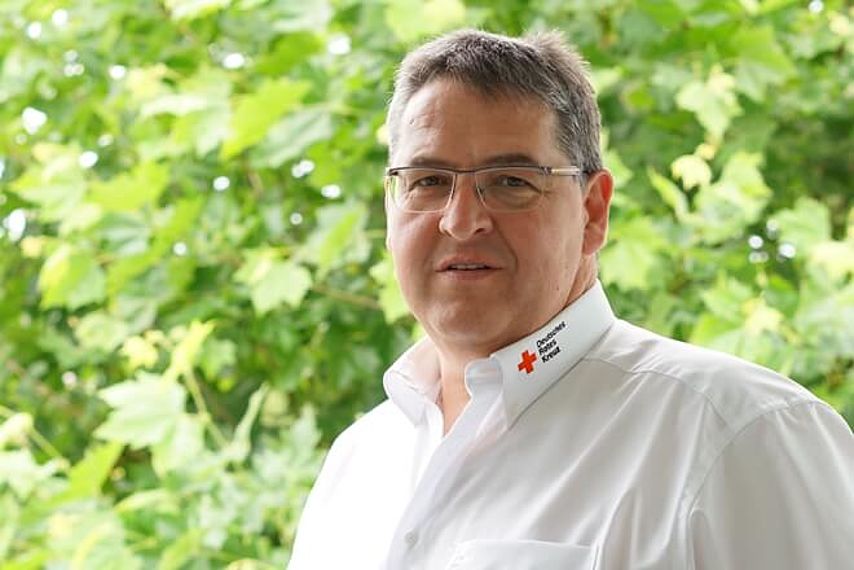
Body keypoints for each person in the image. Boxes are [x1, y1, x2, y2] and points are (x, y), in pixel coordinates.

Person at [288, 29, 854, 569]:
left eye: (511, 181)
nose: (461, 221)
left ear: (592, 211)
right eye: (428, 181)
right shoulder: (359, 460)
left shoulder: (742, 433)